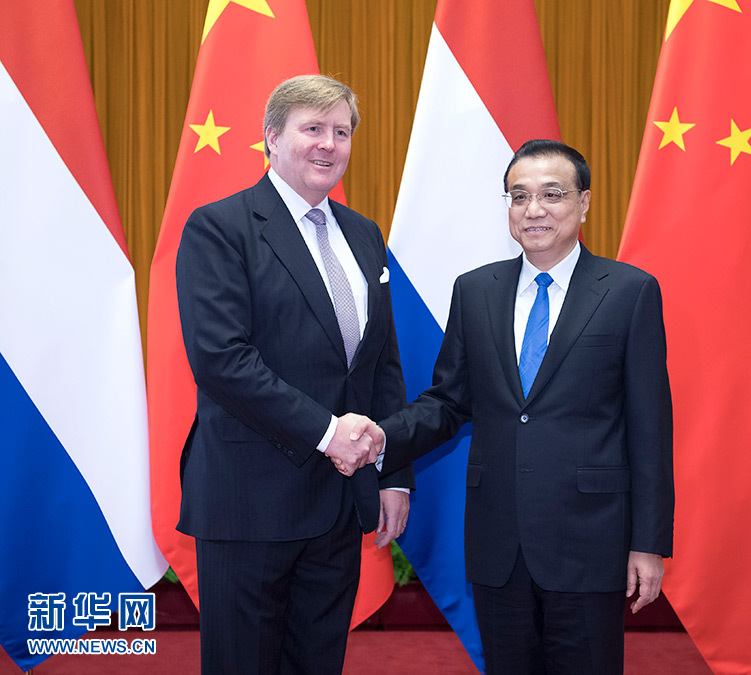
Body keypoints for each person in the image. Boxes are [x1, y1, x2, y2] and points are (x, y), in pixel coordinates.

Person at [341, 139, 674, 674]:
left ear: (584, 203)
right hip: (499, 544)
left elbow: (650, 428)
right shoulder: (476, 291)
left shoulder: (629, 292)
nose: (533, 209)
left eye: (552, 194)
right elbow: (448, 402)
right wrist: (383, 438)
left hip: (590, 542)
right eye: (519, 196)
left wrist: (648, 544)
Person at [175, 74, 413, 675]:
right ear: (272, 138)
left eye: (341, 132)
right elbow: (222, 360)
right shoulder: (219, 227)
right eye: (313, 129)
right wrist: (329, 434)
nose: (329, 144)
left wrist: (393, 474)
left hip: (339, 504)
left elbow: (381, 363)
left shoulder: (363, 234)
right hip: (250, 501)